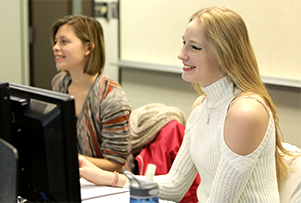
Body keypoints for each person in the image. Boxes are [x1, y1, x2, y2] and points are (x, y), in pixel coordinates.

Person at [79, 6, 296, 202]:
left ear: (225, 54)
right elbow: (175, 185)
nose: (181, 54)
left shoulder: (246, 111)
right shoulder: (202, 106)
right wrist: (107, 177)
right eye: (184, 43)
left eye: (194, 47)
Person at [51, 14, 133, 173]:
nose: (55, 47)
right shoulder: (59, 83)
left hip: (107, 182)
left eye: (64, 41)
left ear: (88, 48)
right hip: (74, 174)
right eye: (55, 41)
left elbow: (115, 164)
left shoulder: (111, 98)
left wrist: (67, 159)